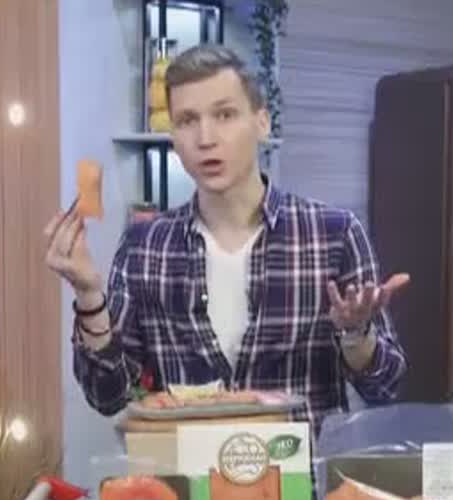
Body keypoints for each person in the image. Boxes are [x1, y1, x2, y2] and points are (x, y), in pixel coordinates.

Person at [45, 44, 409, 427]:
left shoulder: (334, 235)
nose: (206, 138)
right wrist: (89, 296)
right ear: (174, 138)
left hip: (301, 466)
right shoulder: (145, 247)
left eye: (224, 115)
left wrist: (356, 335)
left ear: (262, 122)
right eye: (187, 120)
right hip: (185, 466)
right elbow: (108, 395)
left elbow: (385, 386)